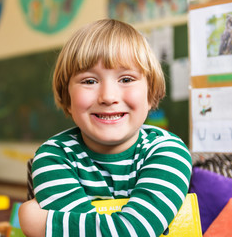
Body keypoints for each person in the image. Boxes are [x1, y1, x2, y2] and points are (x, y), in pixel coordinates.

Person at [18, 18, 192, 237]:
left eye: (126, 79)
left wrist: (42, 224)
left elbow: (132, 232)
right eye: (89, 81)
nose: (108, 97)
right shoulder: (53, 157)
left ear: (151, 94)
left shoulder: (168, 151)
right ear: (67, 98)